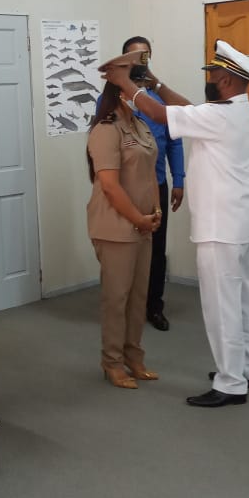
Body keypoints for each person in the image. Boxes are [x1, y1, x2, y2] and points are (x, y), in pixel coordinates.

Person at [104, 41, 249, 408]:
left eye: (213, 75)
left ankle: (231, 383)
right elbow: (188, 109)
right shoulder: (238, 110)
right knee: (242, 301)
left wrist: (124, 82)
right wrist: (156, 84)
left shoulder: (220, 116)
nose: (209, 80)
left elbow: (160, 115)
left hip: (222, 227)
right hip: (243, 222)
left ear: (226, 80)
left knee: (222, 307)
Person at [87, 68, 161, 389]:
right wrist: (138, 218)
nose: (142, 93)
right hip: (116, 226)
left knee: (138, 296)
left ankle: (134, 356)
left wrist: (155, 211)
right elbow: (110, 186)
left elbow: (151, 171)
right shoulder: (106, 129)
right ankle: (112, 362)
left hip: (143, 224)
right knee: (117, 298)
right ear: (121, 92)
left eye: (142, 85)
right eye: (136, 87)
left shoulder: (141, 125)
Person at [121, 37, 185, 332]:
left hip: (156, 188)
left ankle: (154, 306)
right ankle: (125, 306)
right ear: (124, 60)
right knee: (125, 250)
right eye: (133, 56)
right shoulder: (112, 99)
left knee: (156, 250)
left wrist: (178, 179)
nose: (139, 62)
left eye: (144, 56)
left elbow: (175, 142)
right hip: (124, 190)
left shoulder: (160, 101)